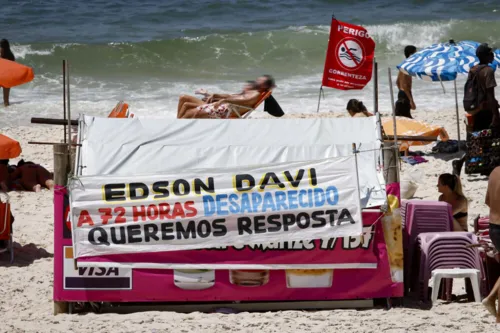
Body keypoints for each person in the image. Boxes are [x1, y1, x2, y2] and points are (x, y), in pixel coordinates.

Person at [453, 43, 500, 175]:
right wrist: (496, 115)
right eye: (490, 53)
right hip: (486, 110)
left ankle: (464, 163)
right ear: (485, 56)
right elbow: (490, 95)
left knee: (478, 139)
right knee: (492, 138)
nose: (492, 55)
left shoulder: (473, 69)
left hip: (476, 109)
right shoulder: (488, 71)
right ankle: (484, 167)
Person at [179, 75, 275, 119]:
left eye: (260, 80)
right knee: (184, 100)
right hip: (220, 108)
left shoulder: (255, 94)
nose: (257, 80)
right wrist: (214, 95)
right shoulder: (251, 92)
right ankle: (177, 125)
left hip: (222, 111)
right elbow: (229, 96)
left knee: (189, 110)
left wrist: (224, 101)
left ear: (264, 86)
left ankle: (178, 127)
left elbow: (242, 102)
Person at [483, 166, 500, 322]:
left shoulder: (494, 171)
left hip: (493, 226)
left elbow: (488, 201)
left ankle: (491, 298)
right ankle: (491, 297)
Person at [395, 45, 417, 118]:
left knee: (402, 117)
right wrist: (411, 100)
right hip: (405, 94)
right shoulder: (408, 67)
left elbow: (397, 82)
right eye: (415, 53)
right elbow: (404, 85)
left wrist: (401, 92)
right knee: (406, 117)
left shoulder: (403, 64)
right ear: (411, 54)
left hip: (401, 93)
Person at [1, 39, 15, 107]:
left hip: (1, 77)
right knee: (6, 99)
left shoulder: (1, 56)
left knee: (6, 99)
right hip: (8, 78)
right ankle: (8, 111)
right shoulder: (11, 55)